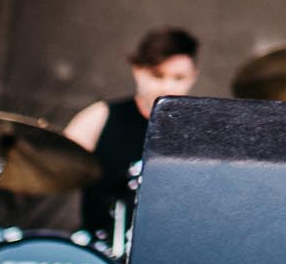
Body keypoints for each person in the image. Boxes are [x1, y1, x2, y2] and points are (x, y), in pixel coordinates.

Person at [63, 26, 201, 240]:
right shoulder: (100, 116)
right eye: (157, 75)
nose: (168, 86)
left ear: (193, 77)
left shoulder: (199, 131)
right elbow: (53, 165)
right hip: (100, 249)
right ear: (138, 70)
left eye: (178, 78)